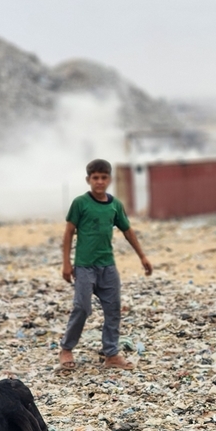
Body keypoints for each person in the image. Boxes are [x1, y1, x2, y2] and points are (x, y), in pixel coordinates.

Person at [59, 159, 152, 371]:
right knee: (82, 307)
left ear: (109, 179)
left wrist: (142, 257)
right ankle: (66, 348)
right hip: (84, 266)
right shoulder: (80, 203)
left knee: (113, 310)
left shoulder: (115, 205)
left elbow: (127, 231)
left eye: (103, 178)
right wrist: (66, 263)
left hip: (107, 267)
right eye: (95, 178)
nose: (99, 182)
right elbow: (68, 233)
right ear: (88, 180)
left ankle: (111, 353)